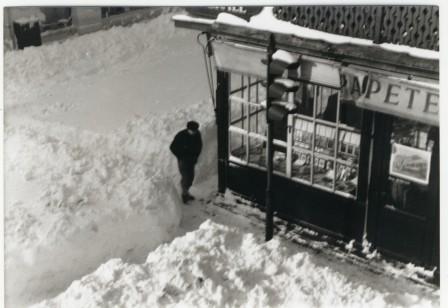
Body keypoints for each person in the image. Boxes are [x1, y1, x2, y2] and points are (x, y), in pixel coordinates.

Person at [170, 121, 203, 203]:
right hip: (183, 161)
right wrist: (181, 156)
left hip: (192, 161)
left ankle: (186, 192)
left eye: (195, 130)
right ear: (188, 129)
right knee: (186, 178)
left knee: (191, 178)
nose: (194, 132)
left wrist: (195, 157)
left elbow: (199, 146)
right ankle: (184, 195)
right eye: (192, 130)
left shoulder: (197, 134)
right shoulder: (181, 135)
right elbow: (172, 147)